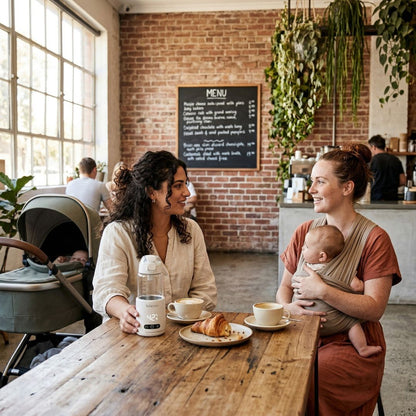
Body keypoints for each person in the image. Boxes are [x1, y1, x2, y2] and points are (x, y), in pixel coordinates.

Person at [276, 145, 401, 415]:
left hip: (351, 343)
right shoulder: (304, 232)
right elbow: (284, 290)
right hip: (302, 332)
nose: (311, 190)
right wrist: (288, 308)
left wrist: (322, 291)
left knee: (311, 375)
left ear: (347, 188)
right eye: (312, 182)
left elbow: (375, 308)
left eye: (320, 182)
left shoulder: (375, 239)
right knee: (270, 369)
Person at [92, 150, 217, 334]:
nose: (187, 192)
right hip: (130, 334)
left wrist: (184, 318)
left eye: (185, 184)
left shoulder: (191, 230)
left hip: (182, 334)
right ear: (151, 192)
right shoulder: (118, 233)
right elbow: (106, 291)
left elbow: (206, 290)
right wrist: (124, 312)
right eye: (178, 186)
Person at [294, 224, 382, 358]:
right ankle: (362, 348)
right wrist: (361, 284)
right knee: (352, 323)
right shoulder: (342, 271)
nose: (302, 248)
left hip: (305, 320)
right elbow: (358, 287)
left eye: (306, 247)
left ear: (322, 256)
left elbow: (292, 283)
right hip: (332, 321)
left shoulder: (306, 267)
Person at [368, 135, 406, 201]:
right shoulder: (395, 159)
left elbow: (367, 180)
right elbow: (403, 181)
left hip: (376, 198)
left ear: (373, 147)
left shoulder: (372, 161)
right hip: (392, 198)